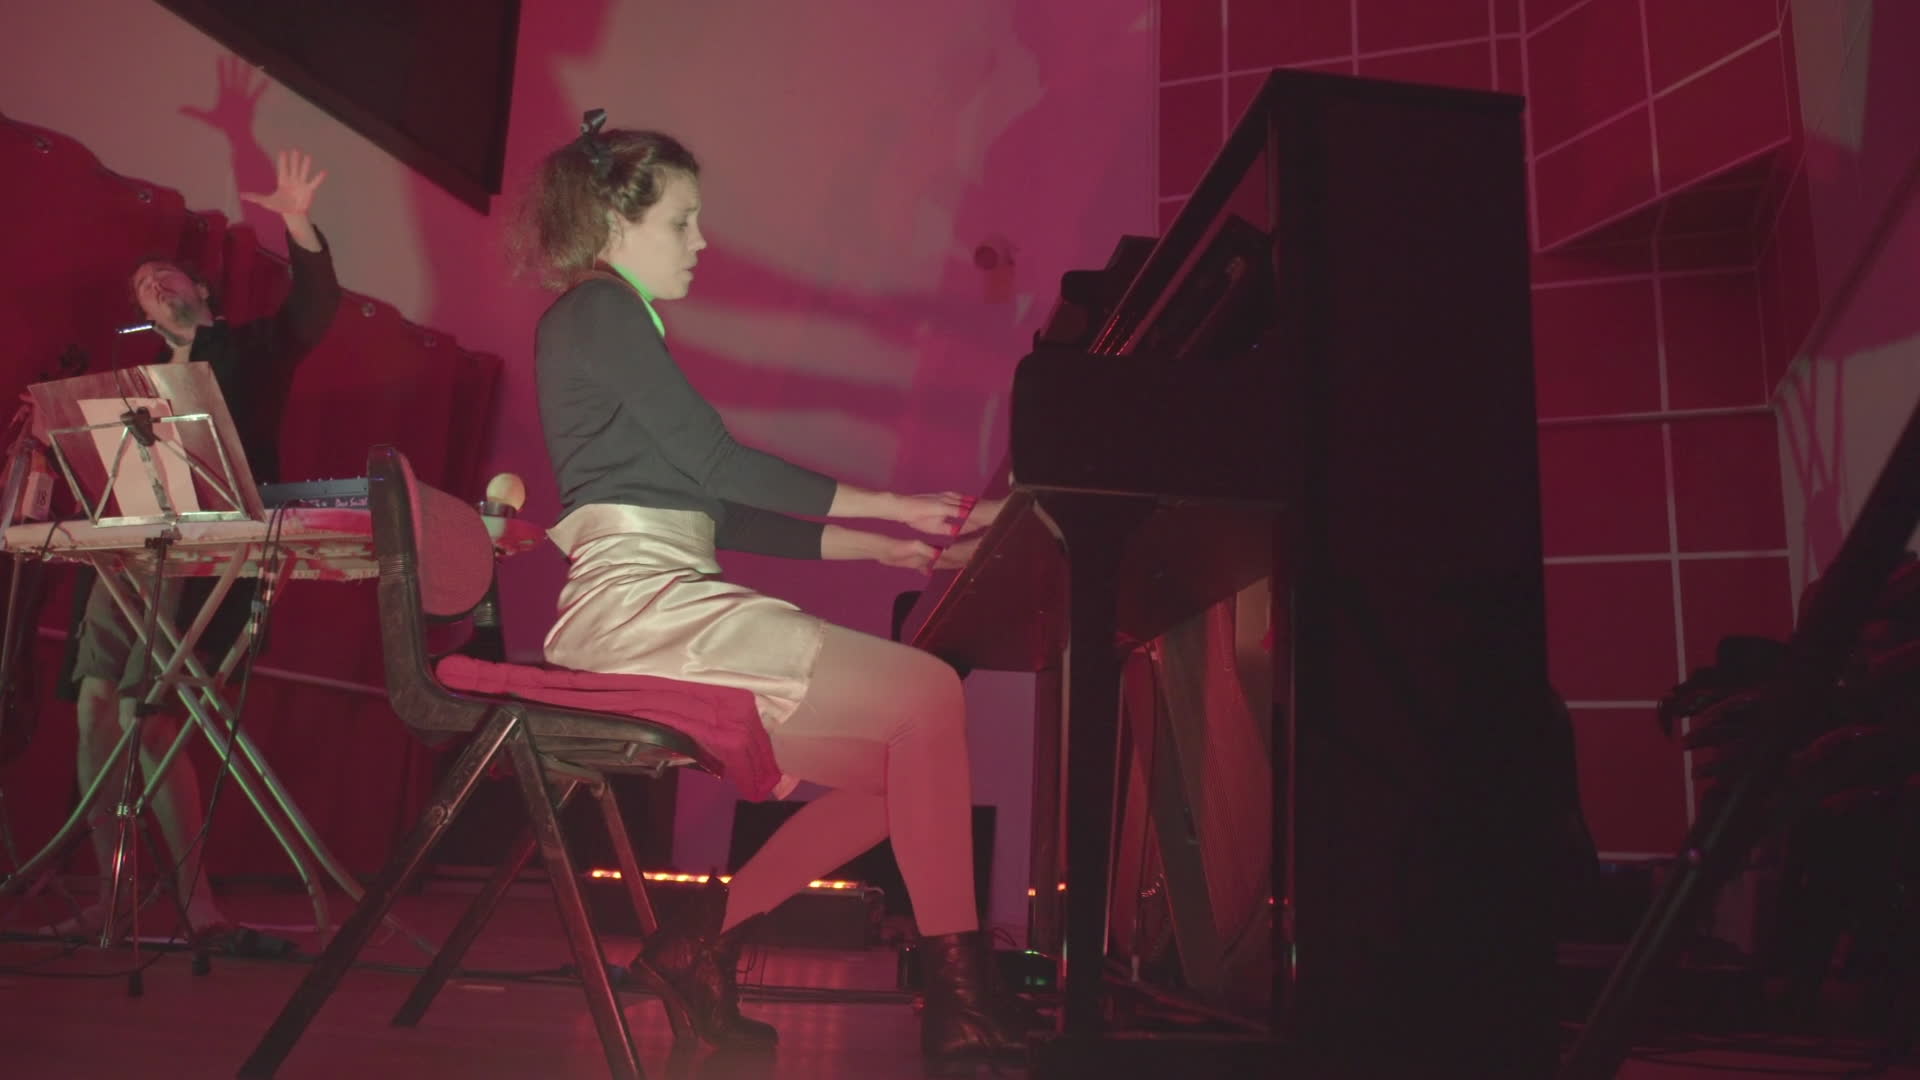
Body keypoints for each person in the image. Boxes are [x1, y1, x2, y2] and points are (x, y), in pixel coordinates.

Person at [515, 111, 1021, 1058]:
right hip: (642, 608)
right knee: (928, 697)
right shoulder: (598, 311)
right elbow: (719, 463)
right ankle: (963, 1009)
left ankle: (696, 945)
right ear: (614, 224)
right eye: (682, 221)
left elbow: (720, 514)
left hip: (658, 595)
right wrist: (898, 506)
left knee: (905, 772)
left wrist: (889, 548)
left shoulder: (611, 320)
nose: (702, 241)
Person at [57, 149, 340, 942]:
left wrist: (296, 221)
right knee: (95, 711)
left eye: (166, 275)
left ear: (201, 291)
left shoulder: (254, 348)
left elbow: (316, 306)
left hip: (210, 556)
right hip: (129, 551)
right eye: (143, 286)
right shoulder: (135, 381)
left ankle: (198, 906)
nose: (154, 285)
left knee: (153, 719)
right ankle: (112, 899)